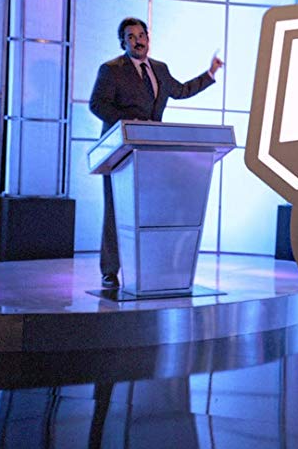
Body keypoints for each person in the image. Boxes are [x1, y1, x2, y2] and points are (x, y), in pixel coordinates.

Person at [88, 17, 222, 289]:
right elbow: (97, 104)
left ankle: (150, 267)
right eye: (131, 37)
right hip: (121, 151)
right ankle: (110, 271)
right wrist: (127, 124)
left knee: (150, 211)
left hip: (151, 151)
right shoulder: (111, 70)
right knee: (117, 211)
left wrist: (209, 74)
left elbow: (181, 91)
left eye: (141, 35)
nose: (137, 41)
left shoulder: (160, 69)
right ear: (123, 42)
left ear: (148, 39)